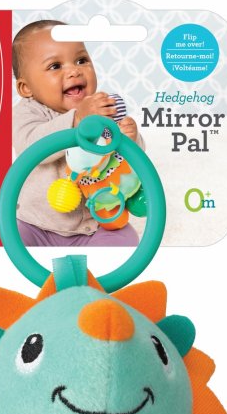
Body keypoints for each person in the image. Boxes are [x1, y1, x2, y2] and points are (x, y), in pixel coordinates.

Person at [12, 19, 145, 247]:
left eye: (81, 60)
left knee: (126, 239)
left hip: (95, 225)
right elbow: (31, 147)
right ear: (26, 88)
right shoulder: (28, 112)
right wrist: (77, 119)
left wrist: (131, 139)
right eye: (55, 66)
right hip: (35, 224)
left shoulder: (101, 109)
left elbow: (126, 161)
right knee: (9, 238)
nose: (74, 71)